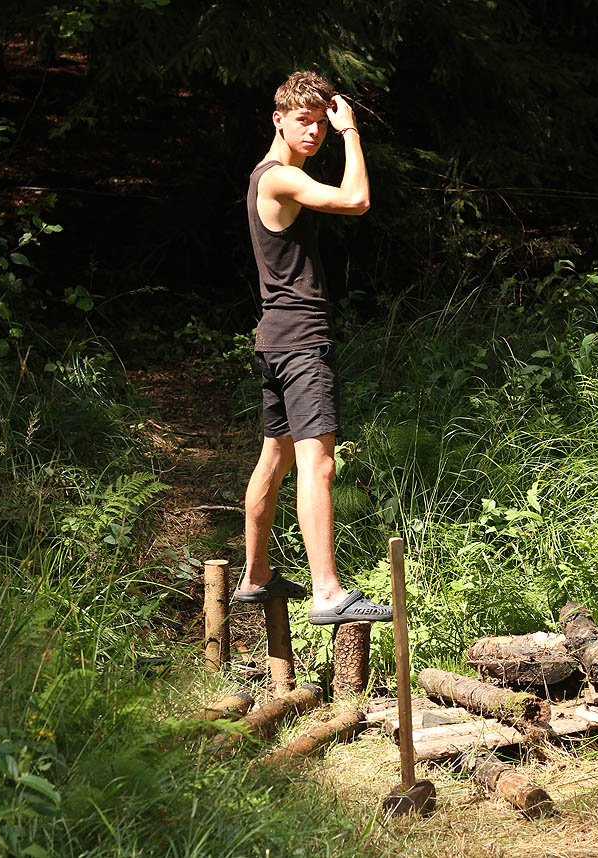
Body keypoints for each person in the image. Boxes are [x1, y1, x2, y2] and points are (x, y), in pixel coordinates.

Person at [233, 70, 392, 626]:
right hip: (300, 341)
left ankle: (255, 575)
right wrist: (351, 131)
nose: (314, 132)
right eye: (304, 120)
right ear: (278, 119)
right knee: (317, 464)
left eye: (322, 124)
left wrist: (334, 124)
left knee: (274, 457)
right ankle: (327, 593)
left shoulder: (266, 175)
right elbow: (357, 199)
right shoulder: (280, 178)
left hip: (275, 338)